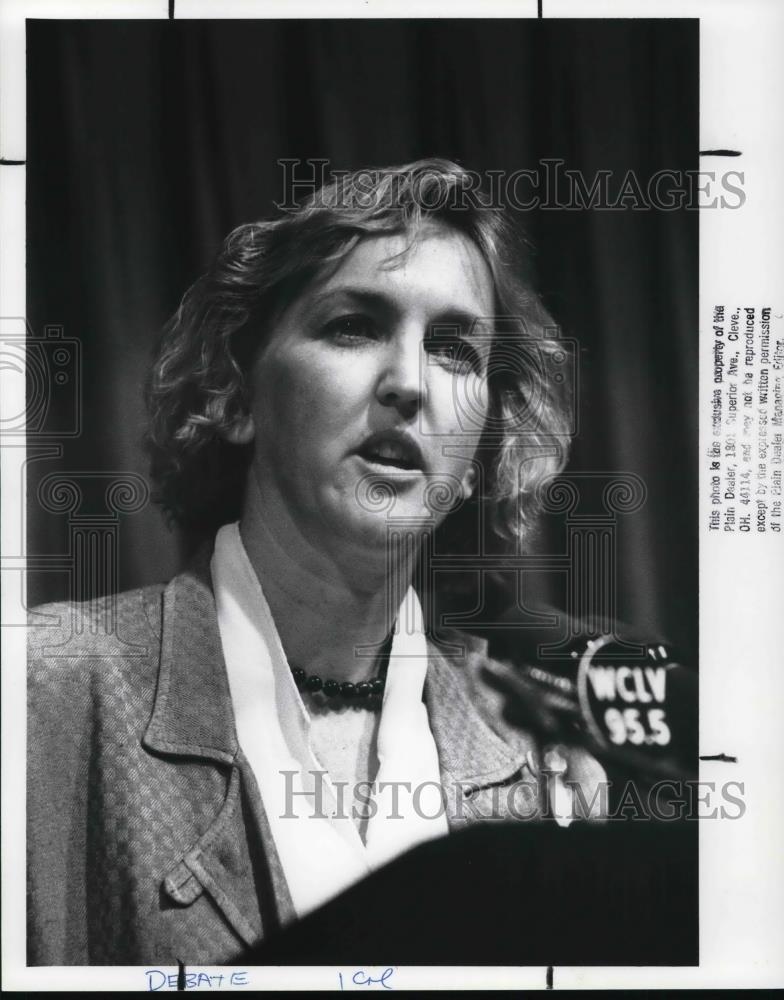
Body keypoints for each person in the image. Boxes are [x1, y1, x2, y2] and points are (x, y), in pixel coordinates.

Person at [27, 158, 607, 966]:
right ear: (235, 393)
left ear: (480, 450)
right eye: (355, 326)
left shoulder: (532, 743)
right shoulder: (45, 690)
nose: (409, 384)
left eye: (454, 349)